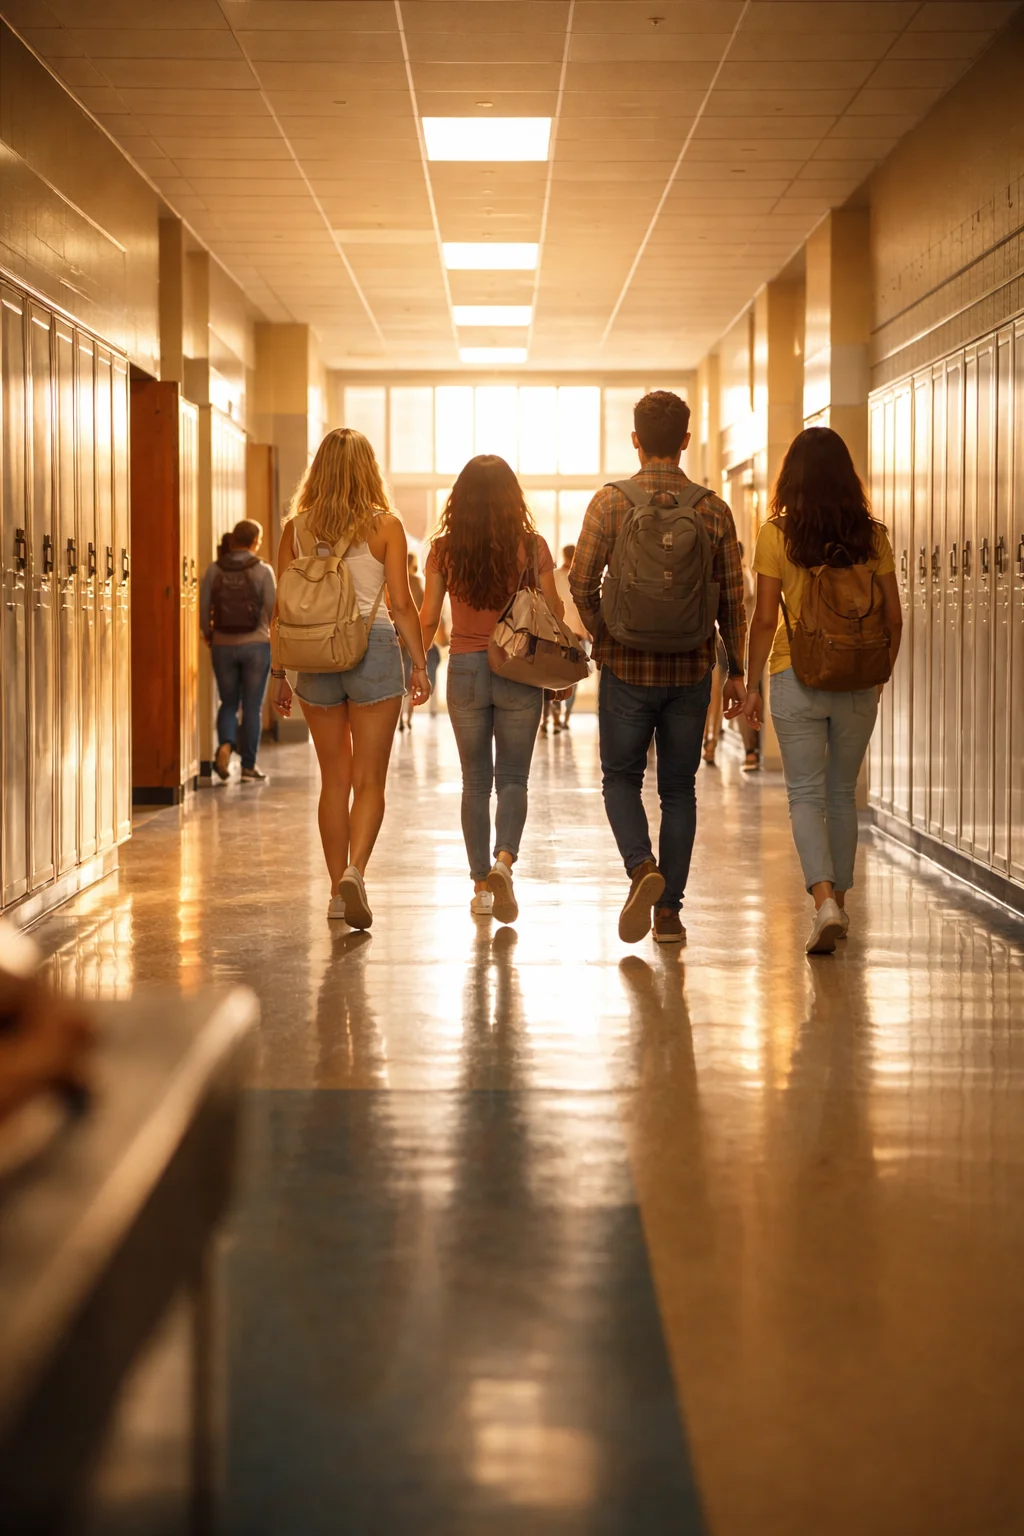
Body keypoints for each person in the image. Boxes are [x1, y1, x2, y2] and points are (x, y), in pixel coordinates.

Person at [570, 390, 747, 946]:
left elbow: (579, 581)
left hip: (626, 667)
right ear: (687, 441)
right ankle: (668, 914)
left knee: (620, 778)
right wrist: (737, 668)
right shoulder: (713, 508)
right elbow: (733, 601)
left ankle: (641, 867)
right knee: (679, 790)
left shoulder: (609, 503)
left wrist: (604, 634)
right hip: (691, 668)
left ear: (636, 440)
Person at [742, 426, 903, 955]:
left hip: (797, 672)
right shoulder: (872, 536)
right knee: (841, 796)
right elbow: (893, 616)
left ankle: (825, 902)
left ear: (792, 477)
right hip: (858, 676)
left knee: (806, 796)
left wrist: (753, 685)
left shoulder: (776, 535)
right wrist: (878, 674)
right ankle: (843, 905)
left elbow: (765, 619)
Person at [270, 428, 430, 929]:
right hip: (374, 650)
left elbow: (281, 610)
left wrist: (279, 673)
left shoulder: (295, 528)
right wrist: (420, 663)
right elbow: (401, 604)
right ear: (369, 469)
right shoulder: (386, 526)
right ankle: (355, 872)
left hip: (314, 657)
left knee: (334, 781)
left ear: (318, 469)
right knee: (369, 780)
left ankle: (337, 891)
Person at [419, 455, 564, 924]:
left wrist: (417, 667)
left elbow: (427, 617)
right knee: (514, 780)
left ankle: (481, 885)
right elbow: (554, 610)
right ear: (511, 496)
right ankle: (504, 862)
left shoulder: (443, 550)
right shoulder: (532, 545)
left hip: (464, 668)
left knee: (475, 783)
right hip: (518, 668)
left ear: (459, 498)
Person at [200, 519, 276, 783]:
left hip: (223, 644)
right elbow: (272, 611)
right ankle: (248, 766)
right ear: (255, 541)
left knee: (228, 702)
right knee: (252, 707)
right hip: (256, 645)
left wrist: (210, 635)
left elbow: (204, 608)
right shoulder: (263, 570)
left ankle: (226, 744)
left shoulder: (214, 569)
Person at [399, 551, 442, 731]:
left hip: (398, 637)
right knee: (413, 676)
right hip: (413, 639)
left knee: (401, 678)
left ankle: (400, 717)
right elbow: (426, 614)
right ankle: (409, 717)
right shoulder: (416, 583)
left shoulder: (393, 581)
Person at [549, 543, 587, 734]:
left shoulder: (563, 577)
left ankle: (560, 717)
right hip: (568, 637)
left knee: (561, 677)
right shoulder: (569, 577)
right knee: (565, 678)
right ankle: (560, 717)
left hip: (567, 636)